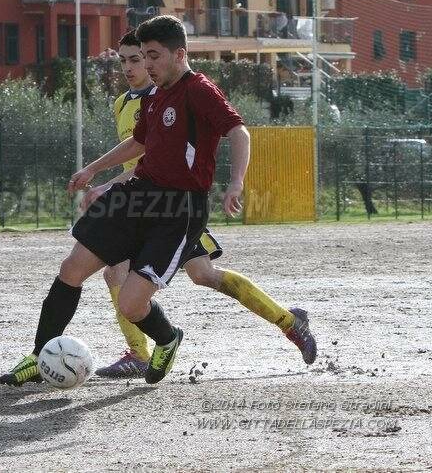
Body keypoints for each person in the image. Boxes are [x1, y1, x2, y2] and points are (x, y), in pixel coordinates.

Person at [0, 16, 316, 387]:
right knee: (71, 269)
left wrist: (236, 183)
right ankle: (40, 357)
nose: (144, 65)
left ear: (179, 55)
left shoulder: (199, 89)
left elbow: (238, 130)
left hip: (177, 210)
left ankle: (167, 339)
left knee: (136, 302)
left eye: (151, 56)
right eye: (136, 58)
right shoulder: (154, 95)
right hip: (137, 195)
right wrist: (92, 171)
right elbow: (139, 144)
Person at [94, 31, 317, 378]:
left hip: (172, 207)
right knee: (123, 273)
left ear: (166, 56)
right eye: (123, 60)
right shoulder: (125, 103)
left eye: (138, 58)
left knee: (201, 275)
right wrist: (101, 176)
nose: (131, 66)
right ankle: (139, 352)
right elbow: (137, 156)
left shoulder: (177, 93)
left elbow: (164, 156)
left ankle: (288, 321)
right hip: (141, 204)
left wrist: (107, 185)